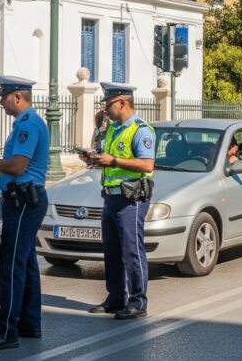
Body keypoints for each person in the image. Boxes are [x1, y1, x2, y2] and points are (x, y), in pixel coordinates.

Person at [0, 75, 50, 351]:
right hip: (24, 199)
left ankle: (7, 330)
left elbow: (17, 166)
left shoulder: (28, 125)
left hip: (23, 201)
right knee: (26, 262)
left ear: (17, 97)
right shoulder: (26, 123)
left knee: (12, 264)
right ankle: (29, 322)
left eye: (3, 97)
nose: (1, 102)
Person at [80, 82, 155, 320]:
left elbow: (146, 164)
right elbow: (108, 157)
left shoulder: (141, 130)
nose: (105, 108)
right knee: (111, 251)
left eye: (109, 103)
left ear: (122, 103)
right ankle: (115, 298)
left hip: (131, 199)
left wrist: (113, 161)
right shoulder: (113, 129)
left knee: (132, 251)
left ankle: (137, 301)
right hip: (111, 197)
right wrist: (94, 159)